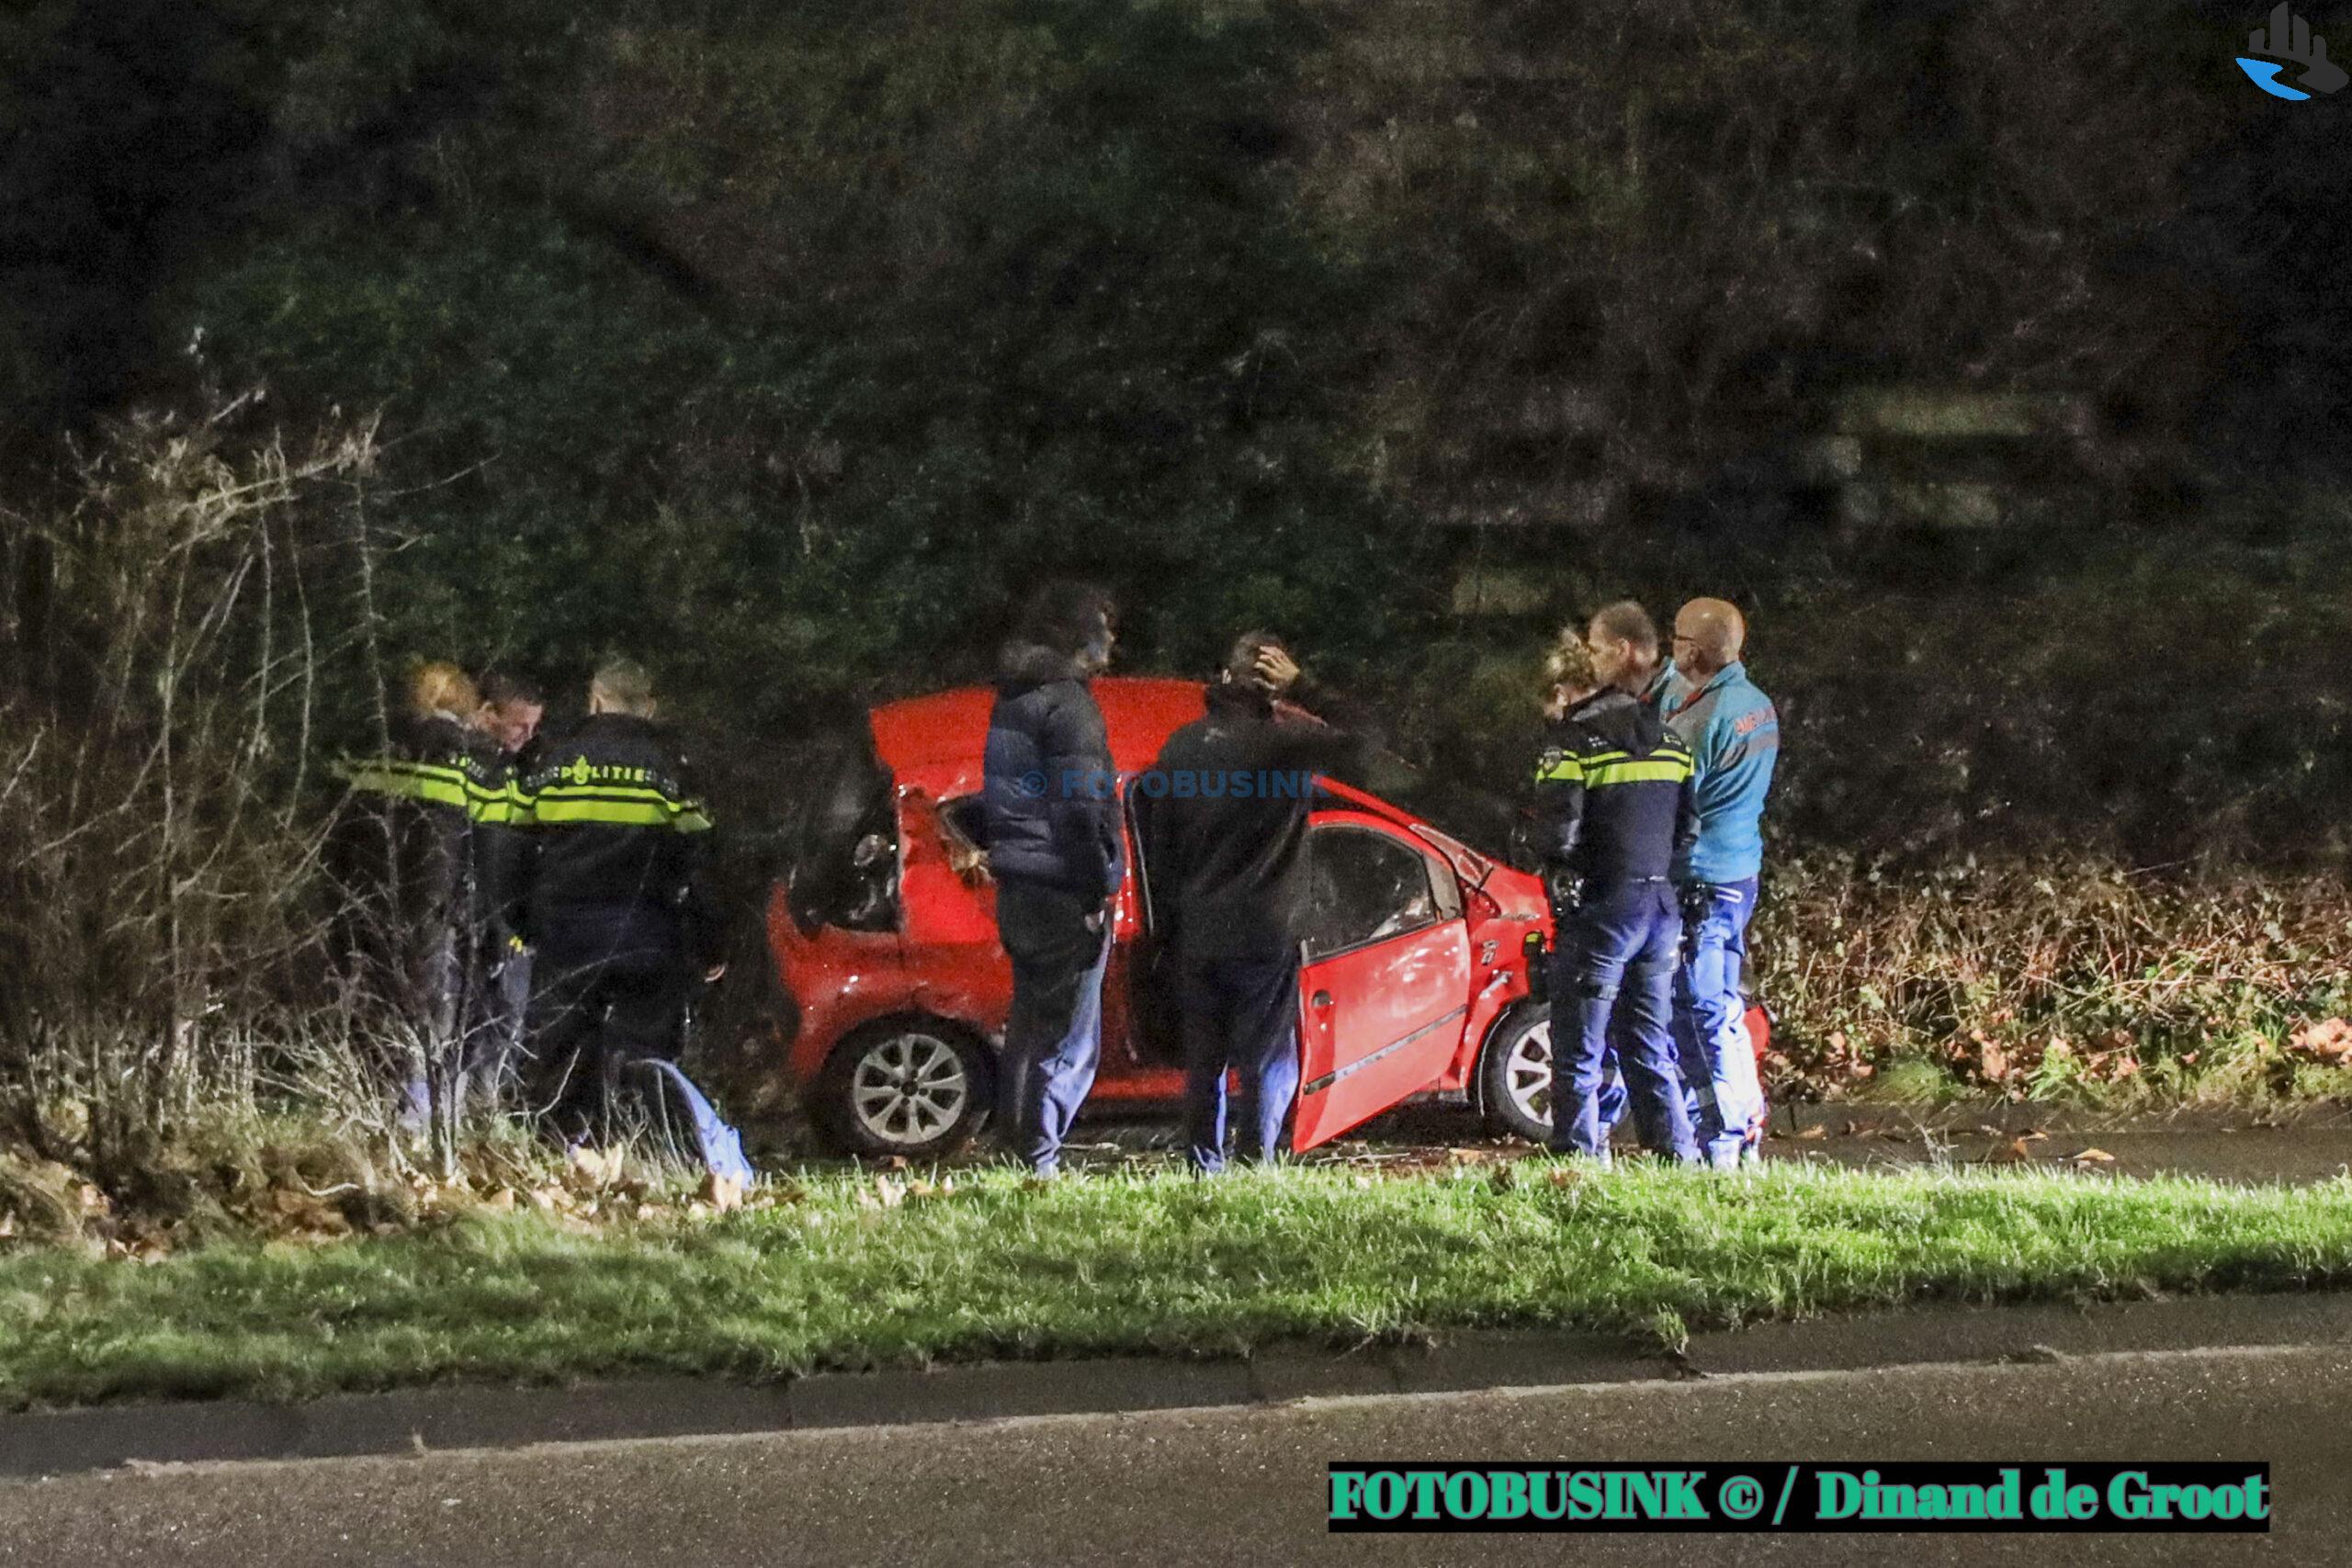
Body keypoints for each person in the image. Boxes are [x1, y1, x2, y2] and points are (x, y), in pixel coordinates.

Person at [1135, 633, 1370, 1173]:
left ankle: (1203, 1165)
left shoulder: (1181, 747)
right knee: (1266, 1056)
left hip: (1197, 929)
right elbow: (1365, 739)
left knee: (1204, 1062)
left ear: (1224, 677)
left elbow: (1159, 846)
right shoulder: (1285, 745)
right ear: (1272, 683)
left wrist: (1168, 927)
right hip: (1265, 928)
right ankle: (1254, 1163)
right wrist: (1305, 686)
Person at [515, 658, 750, 1184]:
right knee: (645, 1060)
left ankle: (556, 1164)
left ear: (595, 699)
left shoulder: (554, 759)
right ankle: (647, 1165)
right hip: (648, 935)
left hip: (564, 933)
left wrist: (520, 924)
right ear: (649, 706)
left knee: (560, 1057)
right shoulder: (673, 767)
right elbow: (702, 866)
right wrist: (711, 944)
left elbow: (518, 848)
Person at [1529, 635, 1700, 1167]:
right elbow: (1688, 831)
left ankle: (1575, 1161)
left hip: (1602, 907)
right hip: (1660, 909)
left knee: (1579, 1049)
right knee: (1648, 1043)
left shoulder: (1571, 747)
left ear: (1562, 691)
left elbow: (1556, 836)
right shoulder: (1672, 742)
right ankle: (1676, 1156)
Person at [980, 582, 1123, 1178]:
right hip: (1065, 889)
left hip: (1019, 886)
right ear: (1077, 634)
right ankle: (1038, 1162)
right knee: (1067, 1037)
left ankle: (1013, 1149)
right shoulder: (1071, 705)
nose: (1113, 638)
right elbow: (1079, 810)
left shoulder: (1014, 698)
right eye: (1104, 626)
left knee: (1029, 1025)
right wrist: (1094, 890)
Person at [334, 660, 507, 1137]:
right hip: (437, 907)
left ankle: (365, 1110)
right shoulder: (476, 761)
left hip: (366, 897)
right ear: (467, 705)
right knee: (430, 1015)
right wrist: (492, 921)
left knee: (371, 1004)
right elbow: (491, 852)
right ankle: (420, 1122)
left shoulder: (369, 749)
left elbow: (339, 832)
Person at [1666, 597, 1781, 1170]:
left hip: (1701, 881)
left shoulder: (1701, 723)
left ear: (1695, 650)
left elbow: (1673, 807)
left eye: (1677, 639)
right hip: (1739, 874)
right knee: (1723, 1003)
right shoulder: (1754, 703)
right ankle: (1745, 1121)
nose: (1670, 649)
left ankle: (1724, 1140)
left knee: (1700, 1009)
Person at [467, 671, 547, 1107]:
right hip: (476, 918)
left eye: (534, 727)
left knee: (505, 1024)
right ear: (487, 715)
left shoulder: (517, 771)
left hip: (509, 923)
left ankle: (487, 1108)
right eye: (519, 725)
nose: (527, 737)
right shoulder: (471, 769)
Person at [1585, 600, 1687, 718]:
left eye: (1596, 651)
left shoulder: (1680, 698)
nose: (1590, 660)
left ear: (1622, 649)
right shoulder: (1657, 692)